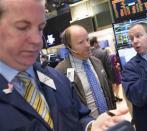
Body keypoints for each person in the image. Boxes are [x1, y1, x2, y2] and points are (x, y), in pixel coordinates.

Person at [0, 0, 129, 130]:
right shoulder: (62, 70)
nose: (37, 40)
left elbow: (78, 116)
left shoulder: (57, 78)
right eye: (22, 27)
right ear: (69, 47)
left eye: (40, 28)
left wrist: (91, 126)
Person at [55, 25, 116, 118]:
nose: (87, 45)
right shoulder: (60, 71)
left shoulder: (97, 62)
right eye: (81, 42)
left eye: (87, 40)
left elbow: (108, 90)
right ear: (69, 46)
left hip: (109, 120)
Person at [90, 37, 122, 102]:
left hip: (94, 81)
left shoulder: (88, 54)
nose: (99, 43)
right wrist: (112, 79)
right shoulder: (103, 52)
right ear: (95, 43)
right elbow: (109, 67)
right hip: (105, 79)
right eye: (98, 42)